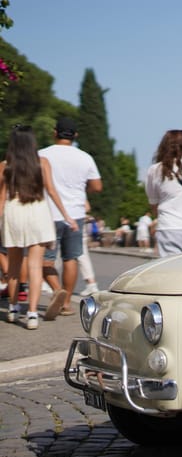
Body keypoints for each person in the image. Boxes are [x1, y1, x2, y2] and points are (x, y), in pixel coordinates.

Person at [1, 125, 78, 329]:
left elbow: (1, 199)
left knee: (14, 268)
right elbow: (52, 191)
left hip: (14, 212)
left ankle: (13, 308)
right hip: (37, 212)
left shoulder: (4, 165)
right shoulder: (42, 163)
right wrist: (67, 216)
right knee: (35, 267)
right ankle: (33, 313)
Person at [39, 116, 103, 318]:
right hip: (75, 214)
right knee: (71, 258)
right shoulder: (85, 157)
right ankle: (66, 303)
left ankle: (57, 289)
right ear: (75, 135)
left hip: (48, 213)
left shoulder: (42, 154)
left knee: (43, 261)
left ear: (54, 132)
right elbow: (97, 186)